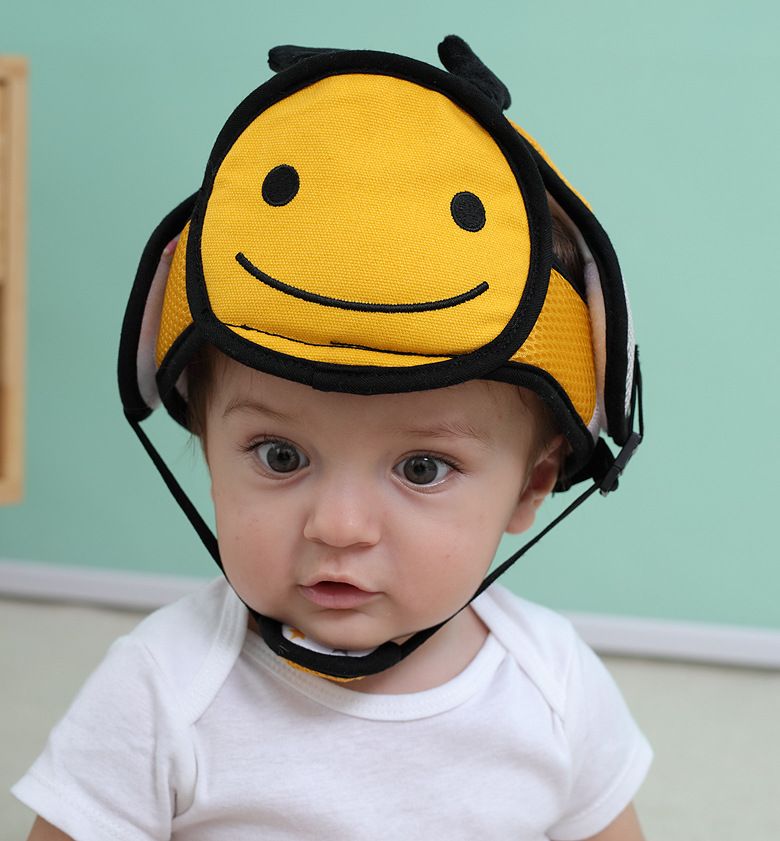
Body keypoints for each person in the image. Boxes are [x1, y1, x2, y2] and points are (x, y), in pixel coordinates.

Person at [14, 36, 651, 840]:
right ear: (207, 445)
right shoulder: (159, 692)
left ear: (532, 484)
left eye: (423, 467)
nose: (340, 526)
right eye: (280, 456)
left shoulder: (555, 687)